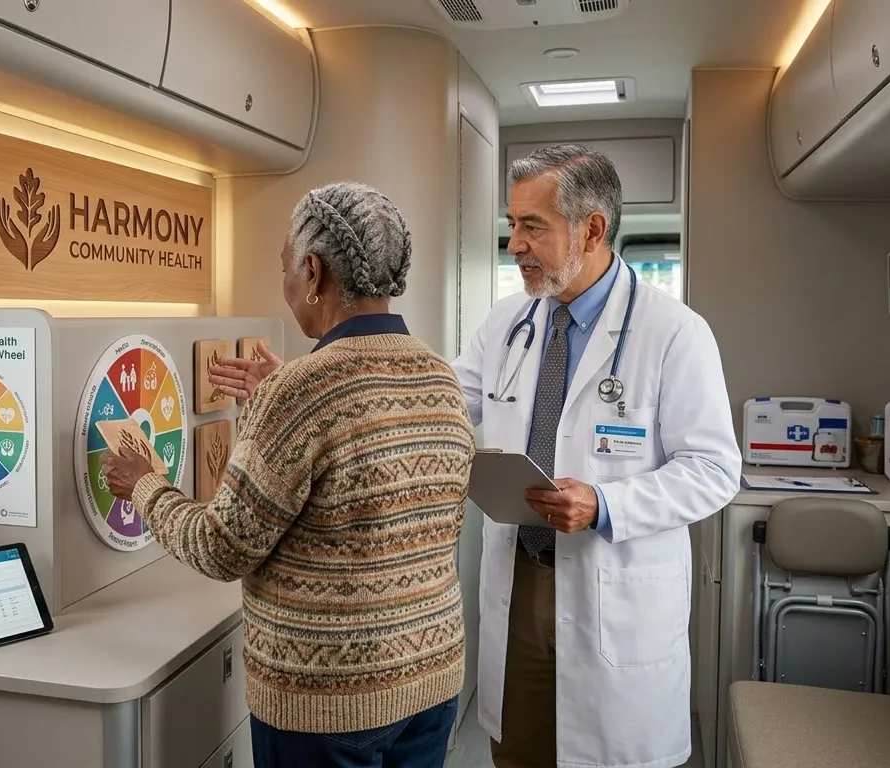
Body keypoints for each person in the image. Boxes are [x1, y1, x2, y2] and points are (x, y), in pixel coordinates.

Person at [102, 181, 475, 768]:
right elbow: (377, 497)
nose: (286, 289)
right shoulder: (439, 376)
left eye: (285, 270)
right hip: (430, 680)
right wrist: (278, 397)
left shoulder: (302, 392)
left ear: (312, 269)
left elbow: (221, 549)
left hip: (328, 705)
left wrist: (145, 482)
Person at [451, 145, 741, 768]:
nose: (513, 246)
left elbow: (715, 470)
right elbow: (436, 403)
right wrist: (316, 385)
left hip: (614, 586)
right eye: (512, 226)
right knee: (518, 752)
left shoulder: (675, 333)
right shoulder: (507, 325)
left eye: (532, 227)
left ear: (592, 229)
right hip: (520, 582)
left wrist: (606, 502)